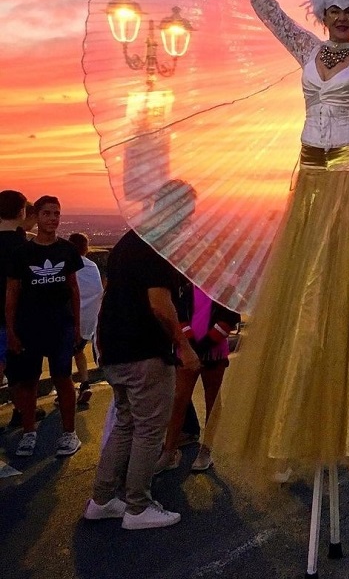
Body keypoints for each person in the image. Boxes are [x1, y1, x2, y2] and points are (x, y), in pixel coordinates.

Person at [205, 0, 349, 489]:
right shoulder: (308, 49)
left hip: (346, 175)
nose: (341, 17)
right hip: (310, 175)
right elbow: (275, 19)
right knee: (299, 298)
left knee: (331, 293)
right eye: (333, 9)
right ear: (323, 11)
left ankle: (336, 429)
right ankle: (292, 427)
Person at [84, 180, 200, 529]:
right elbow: (160, 304)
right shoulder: (156, 245)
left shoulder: (131, 239)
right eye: (188, 212)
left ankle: (102, 499)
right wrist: (183, 345)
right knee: (150, 428)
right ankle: (138, 506)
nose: (189, 221)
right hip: (144, 349)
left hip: (116, 347)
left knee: (126, 423)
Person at [5, 196, 84, 458]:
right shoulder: (22, 253)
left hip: (60, 325)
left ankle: (69, 432)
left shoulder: (67, 250)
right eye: (47, 213)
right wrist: (12, 330)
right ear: (36, 216)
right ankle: (29, 432)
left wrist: (76, 325)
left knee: (63, 377)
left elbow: (73, 288)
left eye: (57, 214)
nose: (53, 218)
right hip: (29, 325)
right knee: (29, 381)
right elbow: (12, 293)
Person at [155, 285, 240, 474]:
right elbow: (179, 313)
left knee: (213, 399)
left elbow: (230, 317)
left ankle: (206, 450)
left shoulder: (228, 288)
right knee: (179, 399)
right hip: (187, 350)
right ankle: (169, 450)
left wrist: (201, 347)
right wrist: (189, 344)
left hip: (213, 352)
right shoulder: (186, 286)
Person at [0, 190, 28, 434]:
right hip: (16, 317)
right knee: (18, 369)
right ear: (21, 211)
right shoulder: (23, 247)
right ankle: (21, 410)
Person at [68, 232, 104, 405]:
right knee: (79, 351)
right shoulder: (91, 267)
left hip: (70, 319)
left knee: (64, 357)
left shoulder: (67, 265)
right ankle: (85, 383)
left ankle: (65, 393)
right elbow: (97, 291)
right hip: (87, 321)